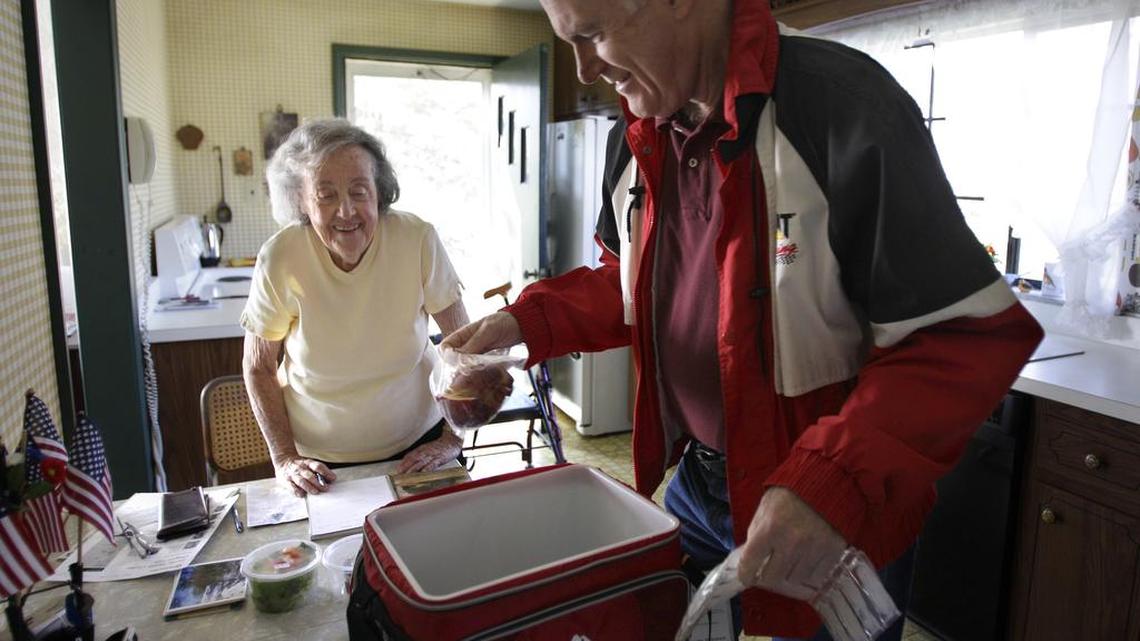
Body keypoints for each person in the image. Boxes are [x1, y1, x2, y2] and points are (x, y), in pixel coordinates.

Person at [443, 1, 1044, 639]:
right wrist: (523, 324)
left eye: (591, 34)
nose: (584, 69)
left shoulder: (839, 106)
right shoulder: (636, 132)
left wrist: (828, 485)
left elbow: (958, 337)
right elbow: (636, 287)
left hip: (828, 508)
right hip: (697, 488)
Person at [242, 119, 469, 497]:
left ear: (378, 193)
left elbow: (464, 346)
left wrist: (453, 437)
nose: (346, 211)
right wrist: (283, 458)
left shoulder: (416, 239)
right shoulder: (281, 257)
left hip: (420, 445)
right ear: (301, 201)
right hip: (321, 465)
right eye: (326, 195)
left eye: (359, 191)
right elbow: (259, 366)